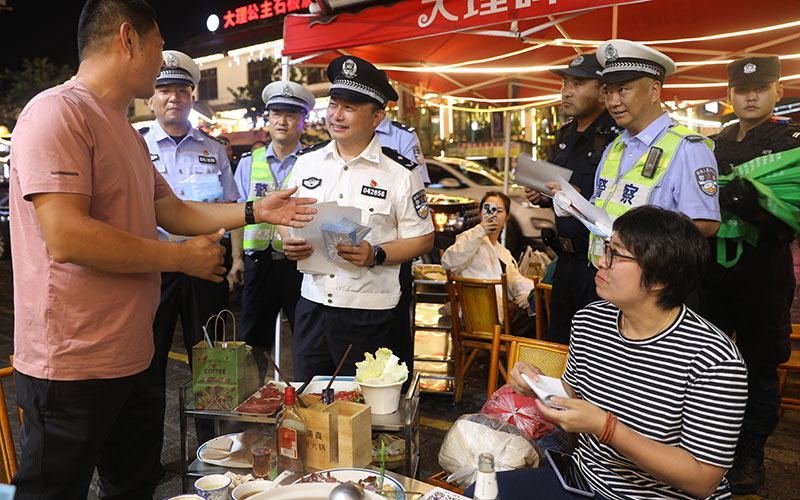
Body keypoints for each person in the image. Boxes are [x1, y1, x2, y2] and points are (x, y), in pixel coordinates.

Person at [7, 1, 315, 499]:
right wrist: (178, 258)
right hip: (71, 361)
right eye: (157, 45)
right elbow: (67, 236)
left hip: (132, 354)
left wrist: (259, 210)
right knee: (53, 490)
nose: (162, 60)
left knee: (131, 485)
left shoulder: (124, 131)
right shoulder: (56, 113)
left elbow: (172, 210)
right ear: (129, 39)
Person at [465, 206, 748, 500]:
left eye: (615, 254)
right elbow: (575, 392)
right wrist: (536, 384)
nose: (600, 261)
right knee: (479, 493)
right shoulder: (591, 320)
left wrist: (607, 428)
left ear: (660, 278)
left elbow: (703, 480)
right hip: (583, 484)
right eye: (605, 248)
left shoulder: (714, 358)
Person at [280, 55, 434, 382]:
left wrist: (376, 254)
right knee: (310, 409)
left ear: (377, 116)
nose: (337, 115)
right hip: (312, 305)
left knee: (369, 417)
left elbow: (423, 238)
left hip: (371, 313)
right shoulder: (307, 162)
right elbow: (283, 213)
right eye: (333, 105)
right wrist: (287, 239)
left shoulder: (400, 173)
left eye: (349, 108)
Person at [697, 56, 800, 494]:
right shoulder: (709, 144)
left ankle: (750, 457)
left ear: (779, 91)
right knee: (704, 366)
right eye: (741, 89)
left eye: (761, 88)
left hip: (764, 272)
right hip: (708, 272)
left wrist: (751, 205)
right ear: (729, 96)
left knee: (759, 368)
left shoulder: (791, 142)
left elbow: (791, 218)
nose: (751, 95)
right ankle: (706, 451)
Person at [143, 49, 239, 387]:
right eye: (164, 90)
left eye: (182, 91)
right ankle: (145, 434)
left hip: (206, 262)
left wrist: (235, 256)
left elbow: (230, 204)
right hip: (156, 267)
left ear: (192, 97)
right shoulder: (136, 145)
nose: (174, 98)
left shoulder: (213, 148)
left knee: (212, 360)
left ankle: (214, 437)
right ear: (150, 99)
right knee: (148, 357)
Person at [587, 39, 720, 266]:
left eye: (623, 90)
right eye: (608, 92)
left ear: (654, 90)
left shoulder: (688, 148)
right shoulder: (614, 147)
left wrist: (642, 237)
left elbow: (706, 223)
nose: (613, 102)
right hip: (607, 276)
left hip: (656, 284)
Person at [525, 53, 621, 344]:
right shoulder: (566, 133)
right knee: (559, 346)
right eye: (565, 83)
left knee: (595, 349)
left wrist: (579, 197)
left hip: (598, 261)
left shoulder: (617, 137)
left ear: (603, 92)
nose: (567, 91)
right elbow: (562, 189)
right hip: (564, 259)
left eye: (578, 84)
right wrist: (542, 194)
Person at [230, 81, 316, 374]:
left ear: (303, 121)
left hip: (301, 265)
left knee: (307, 337)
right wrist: (236, 259)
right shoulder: (247, 162)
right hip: (258, 264)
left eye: (291, 114)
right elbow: (238, 213)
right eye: (276, 113)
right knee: (252, 340)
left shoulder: (315, 162)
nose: (283, 120)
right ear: (268, 119)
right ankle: (249, 404)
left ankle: (307, 403)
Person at [374, 81, 430, 387]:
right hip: (353, 255)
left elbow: (419, 190)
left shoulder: (402, 137)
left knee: (394, 327)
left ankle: (398, 392)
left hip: (395, 250)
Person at [441, 191, 535, 337]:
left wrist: (532, 294)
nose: (493, 215)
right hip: (475, 316)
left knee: (540, 308)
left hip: (501, 314)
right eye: (488, 210)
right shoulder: (470, 238)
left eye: (499, 211)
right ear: (480, 214)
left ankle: (514, 357)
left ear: (507, 217)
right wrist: (481, 230)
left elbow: (516, 281)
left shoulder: (504, 253)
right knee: (538, 317)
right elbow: (448, 262)